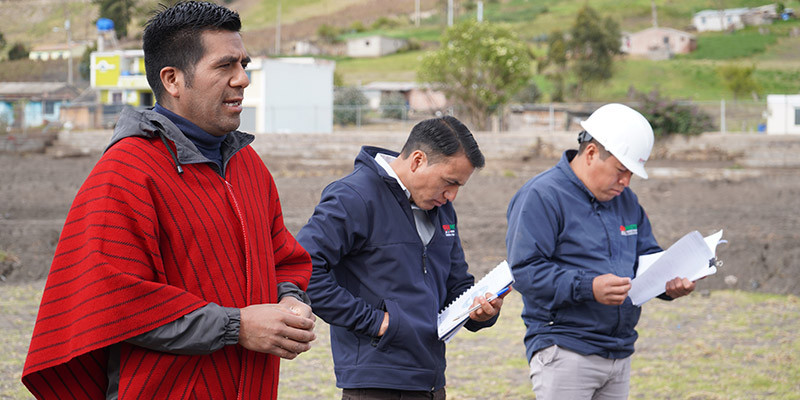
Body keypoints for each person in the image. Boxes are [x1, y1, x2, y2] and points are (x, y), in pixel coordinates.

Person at [22, 2, 316, 399]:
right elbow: (113, 300)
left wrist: (290, 301)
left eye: (244, 64)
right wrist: (238, 326)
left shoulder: (249, 166)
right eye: (225, 66)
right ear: (173, 79)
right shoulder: (128, 171)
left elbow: (284, 258)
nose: (243, 79)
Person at [296, 116, 508, 399]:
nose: (452, 195)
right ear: (418, 160)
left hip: (430, 381)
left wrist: (481, 312)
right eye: (449, 182)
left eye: (459, 186)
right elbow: (303, 268)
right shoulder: (354, 197)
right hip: (376, 382)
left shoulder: (442, 209)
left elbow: (456, 285)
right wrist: (377, 323)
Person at [506, 103, 697, 400]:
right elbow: (523, 272)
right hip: (566, 350)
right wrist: (588, 286)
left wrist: (669, 284)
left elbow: (647, 256)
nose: (626, 182)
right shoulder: (542, 196)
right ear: (592, 153)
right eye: (621, 170)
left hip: (619, 352)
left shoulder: (626, 201)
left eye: (631, 173)